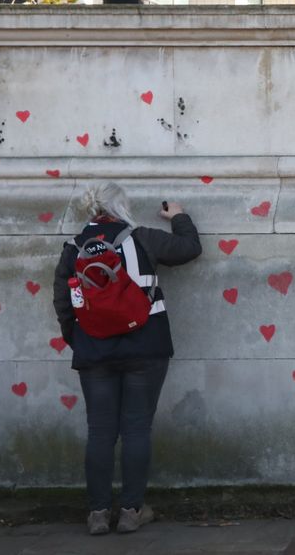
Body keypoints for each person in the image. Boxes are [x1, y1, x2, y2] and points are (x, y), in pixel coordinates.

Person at [53, 183, 202, 535]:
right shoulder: (144, 238)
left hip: (94, 352)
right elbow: (189, 249)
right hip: (145, 346)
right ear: (122, 208)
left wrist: (79, 339)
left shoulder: (73, 248)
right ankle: (132, 511)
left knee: (100, 431)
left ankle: (99, 514)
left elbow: (63, 301)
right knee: (136, 428)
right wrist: (179, 215)